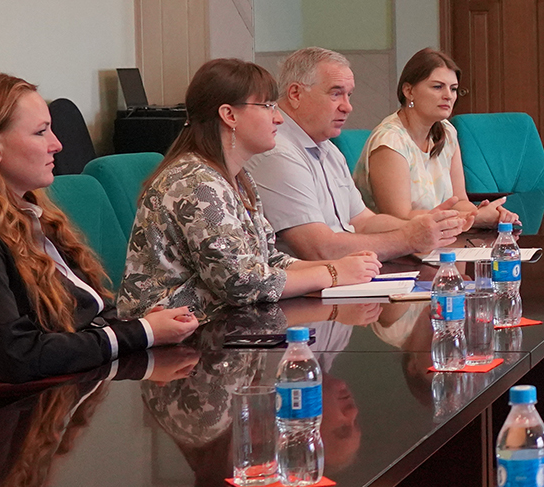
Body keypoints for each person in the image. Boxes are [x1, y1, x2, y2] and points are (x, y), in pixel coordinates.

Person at [118, 58, 380, 319]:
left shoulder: (238, 178)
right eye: (268, 106)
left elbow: (267, 260)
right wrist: (332, 274)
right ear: (229, 115)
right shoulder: (197, 183)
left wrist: (342, 266)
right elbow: (241, 283)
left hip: (217, 323)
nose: (279, 118)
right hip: (174, 332)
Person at [0, 73, 198, 386]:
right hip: (30, 403)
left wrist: (138, 324)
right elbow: (17, 355)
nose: (57, 145)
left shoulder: (33, 214)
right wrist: (141, 332)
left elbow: (84, 315)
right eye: (40, 132)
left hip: (76, 383)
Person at [246, 48, 463, 262]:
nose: (347, 107)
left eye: (348, 95)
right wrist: (409, 238)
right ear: (295, 94)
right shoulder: (277, 153)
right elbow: (319, 249)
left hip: (349, 271)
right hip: (315, 279)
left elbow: (363, 222)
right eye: (336, 93)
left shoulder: (328, 149)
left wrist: (425, 226)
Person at [354, 48, 515, 228]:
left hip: (438, 236)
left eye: (453, 89)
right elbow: (400, 218)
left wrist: (484, 213)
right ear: (408, 91)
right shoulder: (390, 141)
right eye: (438, 87)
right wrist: (473, 218)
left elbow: (459, 200)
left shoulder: (447, 132)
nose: (448, 96)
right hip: (393, 241)